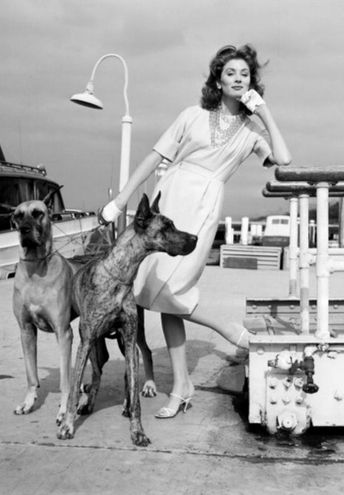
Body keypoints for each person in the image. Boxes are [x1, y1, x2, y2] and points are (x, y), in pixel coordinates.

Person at [99, 44, 291, 418]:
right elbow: (155, 156)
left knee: (174, 289)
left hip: (204, 205)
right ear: (217, 80)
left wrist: (264, 112)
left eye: (245, 75)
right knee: (157, 292)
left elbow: (283, 159)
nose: (238, 79)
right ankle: (183, 386)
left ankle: (228, 331)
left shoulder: (251, 132)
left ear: (252, 84)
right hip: (170, 198)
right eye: (231, 73)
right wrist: (120, 201)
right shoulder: (192, 115)